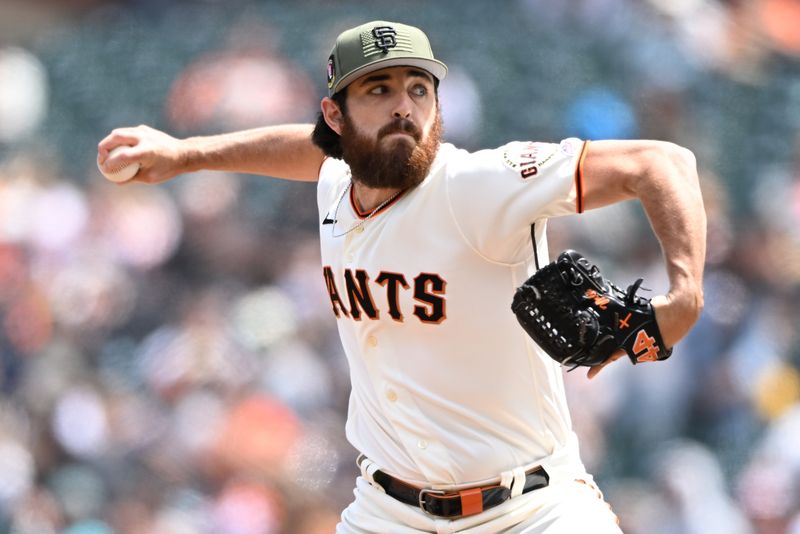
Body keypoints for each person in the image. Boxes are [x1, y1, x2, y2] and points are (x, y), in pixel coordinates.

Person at [98, 20, 706, 534]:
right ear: (334, 116)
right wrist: (186, 154)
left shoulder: (477, 185)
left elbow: (660, 162)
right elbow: (308, 154)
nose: (403, 106)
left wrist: (685, 293)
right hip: (388, 512)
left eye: (420, 89)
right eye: (378, 90)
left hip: (531, 509)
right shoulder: (338, 181)